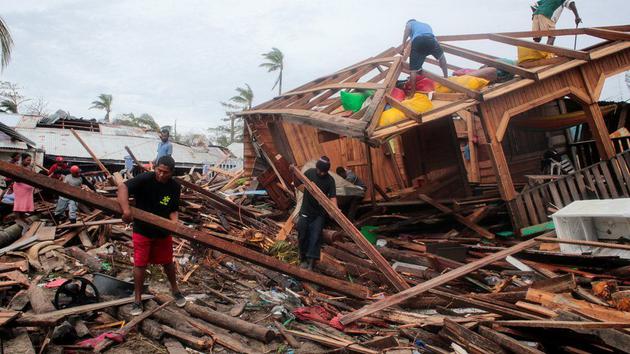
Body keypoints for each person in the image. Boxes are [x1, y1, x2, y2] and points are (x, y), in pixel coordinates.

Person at [117, 155, 184, 315]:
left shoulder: (174, 187)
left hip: (162, 231)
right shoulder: (145, 179)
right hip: (142, 230)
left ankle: (175, 291)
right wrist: (126, 210)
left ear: (172, 173)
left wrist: (174, 223)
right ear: (155, 168)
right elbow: (122, 187)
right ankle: (137, 300)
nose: (161, 175)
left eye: (165, 173)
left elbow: (173, 209)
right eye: (159, 171)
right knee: (140, 264)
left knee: (168, 262)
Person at [296, 156, 336, 271]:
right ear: (317, 167)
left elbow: (333, 197)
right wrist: (294, 174)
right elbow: (297, 183)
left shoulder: (330, 180)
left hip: (319, 214)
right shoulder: (309, 173)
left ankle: (311, 263)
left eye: (324, 171)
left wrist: (335, 210)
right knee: (302, 234)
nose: (322, 173)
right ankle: (302, 258)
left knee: (315, 237)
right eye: (320, 170)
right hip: (305, 211)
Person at [402, 19, 448, 98]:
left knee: (413, 69)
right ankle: (446, 78)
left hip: (418, 41)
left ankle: (412, 93)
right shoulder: (426, 25)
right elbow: (434, 39)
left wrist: (403, 45)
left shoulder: (410, 23)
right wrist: (440, 60)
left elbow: (407, 29)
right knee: (442, 57)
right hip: (430, 40)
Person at [13, 153, 35, 232]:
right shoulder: (18, 167)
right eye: (28, 160)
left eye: (30, 160)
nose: (29, 162)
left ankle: (22, 217)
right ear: (23, 159)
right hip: (20, 187)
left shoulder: (30, 167)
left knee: (24, 203)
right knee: (19, 202)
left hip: (27, 188)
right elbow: (16, 178)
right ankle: (18, 218)